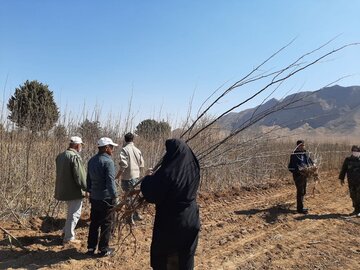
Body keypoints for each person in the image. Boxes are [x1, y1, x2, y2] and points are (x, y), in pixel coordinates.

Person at [141, 139, 200, 270]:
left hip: (172, 221)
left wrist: (148, 178)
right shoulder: (194, 167)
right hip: (191, 217)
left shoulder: (168, 172)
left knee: (168, 258)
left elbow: (152, 194)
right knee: (185, 255)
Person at [86, 137, 119, 257]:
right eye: (111, 147)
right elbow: (110, 182)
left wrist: (89, 191)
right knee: (106, 223)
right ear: (106, 148)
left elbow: (88, 179)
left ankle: (90, 248)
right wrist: (115, 196)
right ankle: (103, 250)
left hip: (94, 197)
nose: (113, 149)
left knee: (94, 223)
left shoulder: (91, 161)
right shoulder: (108, 162)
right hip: (106, 198)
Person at [55, 136, 86, 245]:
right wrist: (86, 188)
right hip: (74, 191)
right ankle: (69, 237)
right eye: (81, 145)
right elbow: (80, 176)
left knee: (70, 213)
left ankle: (65, 232)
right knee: (75, 214)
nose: (81, 147)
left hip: (63, 189)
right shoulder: (74, 157)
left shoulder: (61, 156)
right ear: (77, 145)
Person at [116, 132, 145, 223]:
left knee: (128, 197)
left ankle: (129, 218)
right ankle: (136, 215)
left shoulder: (124, 150)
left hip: (127, 178)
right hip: (136, 177)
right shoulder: (138, 150)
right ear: (133, 140)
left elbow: (123, 165)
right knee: (135, 197)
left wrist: (118, 176)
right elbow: (142, 164)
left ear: (125, 140)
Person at [288, 140, 314, 214]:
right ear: (297, 146)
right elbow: (290, 167)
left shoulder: (305, 154)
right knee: (300, 191)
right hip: (298, 176)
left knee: (304, 191)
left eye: (303, 145)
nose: (303, 147)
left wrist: (313, 167)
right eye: (301, 145)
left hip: (305, 175)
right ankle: (300, 209)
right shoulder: (294, 155)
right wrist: (298, 170)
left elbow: (310, 162)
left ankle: (301, 206)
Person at [339, 145, 360, 216]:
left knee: (359, 195)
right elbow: (344, 169)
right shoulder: (348, 159)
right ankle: (356, 209)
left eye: (357, 150)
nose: (355, 152)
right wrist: (341, 178)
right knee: (353, 195)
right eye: (354, 150)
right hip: (351, 181)